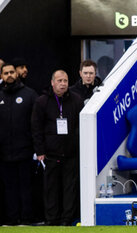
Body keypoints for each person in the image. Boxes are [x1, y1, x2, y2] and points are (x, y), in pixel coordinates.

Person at [31, 70, 84, 226]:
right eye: (59, 80)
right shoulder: (41, 101)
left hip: (71, 153)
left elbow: (80, 125)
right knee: (51, 189)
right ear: (52, 82)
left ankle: (67, 220)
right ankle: (51, 219)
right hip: (50, 154)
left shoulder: (77, 100)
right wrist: (40, 151)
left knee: (70, 188)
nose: (63, 84)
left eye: (65, 81)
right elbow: (36, 127)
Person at [0, 63, 38, 225]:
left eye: (11, 72)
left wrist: (36, 147)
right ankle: (12, 219)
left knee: (26, 187)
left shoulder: (29, 95)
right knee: (9, 189)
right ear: (1, 76)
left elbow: (36, 124)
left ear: (16, 74)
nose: (9, 75)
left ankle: (27, 219)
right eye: (5, 73)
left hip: (25, 151)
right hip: (3, 153)